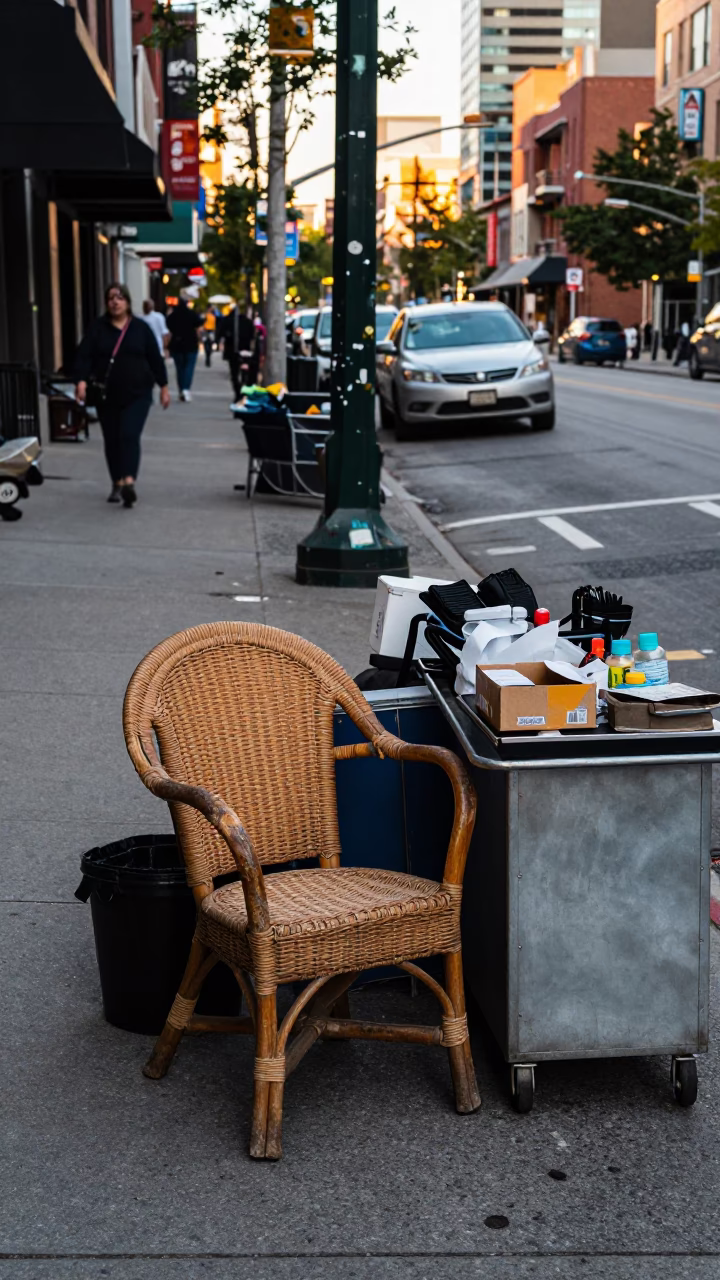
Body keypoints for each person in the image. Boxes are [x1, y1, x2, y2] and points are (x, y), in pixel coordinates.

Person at [74, 281, 169, 507]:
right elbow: (84, 356)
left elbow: (155, 358)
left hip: (138, 393)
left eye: (119, 298)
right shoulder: (98, 328)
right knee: (112, 439)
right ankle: (116, 481)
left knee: (129, 435)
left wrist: (164, 386)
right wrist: (80, 382)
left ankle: (129, 481)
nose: (114, 302)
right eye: (110, 298)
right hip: (106, 395)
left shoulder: (140, 328)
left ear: (127, 302)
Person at [167, 289, 202, 401]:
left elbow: (168, 326)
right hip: (191, 344)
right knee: (189, 368)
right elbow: (199, 323)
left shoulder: (173, 315)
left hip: (177, 344)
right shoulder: (191, 314)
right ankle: (185, 389)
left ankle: (182, 388)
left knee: (180, 368)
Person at [221, 303, 257, 402]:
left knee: (235, 373)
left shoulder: (228, 320)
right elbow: (252, 337)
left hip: (233, 351)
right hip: (245, 351)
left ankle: (239, 392)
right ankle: (243, 391)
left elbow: (222, 333)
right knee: (244, 373)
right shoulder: (248, 322)